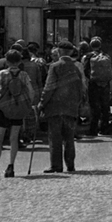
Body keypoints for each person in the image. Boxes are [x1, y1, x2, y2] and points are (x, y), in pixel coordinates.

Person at [0, 49, 35, 178]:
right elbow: (31, 91)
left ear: (7, 60)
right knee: (14, 138)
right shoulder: (23, 74)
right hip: (18, 109)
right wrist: (28, 104)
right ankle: (11, 167)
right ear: (19, 61)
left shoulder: (2, 73)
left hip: (4, 108)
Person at [38, 41, 84, 173]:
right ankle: (70, 165)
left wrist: (42, 103)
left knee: (55, 138)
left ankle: (56, 165)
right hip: (71, 108)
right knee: (69, 138)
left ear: (59, 52)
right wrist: (77, 104)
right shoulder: (76, 67)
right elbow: (80, 89)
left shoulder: (55, 66)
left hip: (55, 107)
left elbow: (49, 87)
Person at [83, 38, 112, 136]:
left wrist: (92, 78)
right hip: (105, 85)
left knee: (94, 107)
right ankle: (104, 128)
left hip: (94, 85)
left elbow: (85, 70)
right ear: (100, 45)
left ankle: (93, 130)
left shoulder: (89, 56)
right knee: (105, 107)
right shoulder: (106, 56)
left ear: (91, 46)